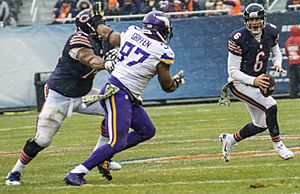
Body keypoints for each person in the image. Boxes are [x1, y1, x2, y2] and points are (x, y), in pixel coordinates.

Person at [63, 6, 185, 186]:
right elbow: (167, 86)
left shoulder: (131, 33)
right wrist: (176, 83)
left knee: (147, 130)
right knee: (117, 142)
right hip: (118, 92)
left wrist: (97, 21)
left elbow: (108, 34)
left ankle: (104, 156)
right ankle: (76, 172)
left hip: (126, 94)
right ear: (162, 29)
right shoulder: (163, 51)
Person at [5, 8, 122, 186]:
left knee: (115, 111)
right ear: (88, 24)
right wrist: (107, 63)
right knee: (42, 140)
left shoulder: (102, 40)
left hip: (84, 94)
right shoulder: (78, 39)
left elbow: (122, 45)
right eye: (98, 22)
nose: (103, 26)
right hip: (60, 95)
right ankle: (14, 172)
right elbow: (89, 59)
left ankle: (100, 157)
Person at [218, 3, 294, 162]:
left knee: (260, 124)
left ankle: (230, 139)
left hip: (257, 82)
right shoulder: (238, 38)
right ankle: (278, 145)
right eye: (251, 20)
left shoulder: (271, 31)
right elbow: (232, 71)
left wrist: (278, 63)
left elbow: (276, 51)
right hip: (240, 84)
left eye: (258, 19)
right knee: (271, 106)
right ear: (245, 21)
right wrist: (255, 80)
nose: (255, 23)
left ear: (263, 19)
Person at [285, 25, 300, 98]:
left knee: (293, 81)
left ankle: (293, 96)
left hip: (291, 63)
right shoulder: (299, 39)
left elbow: (287, 53)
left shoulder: (288, 41)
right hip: (299, 62)